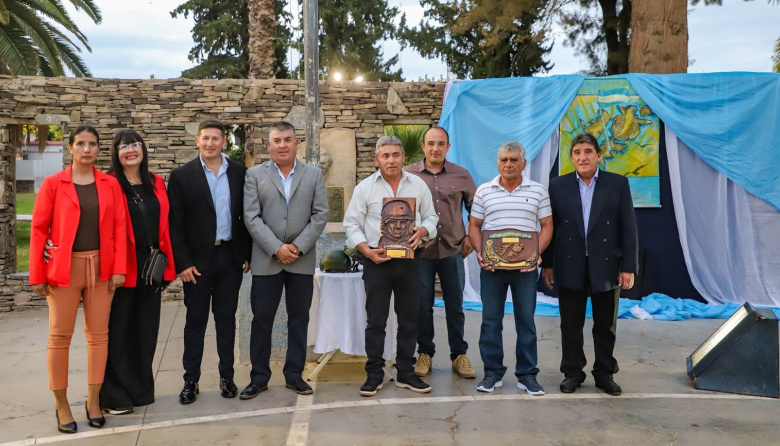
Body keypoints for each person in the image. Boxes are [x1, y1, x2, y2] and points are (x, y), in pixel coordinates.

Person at [30, 125, 127, 433]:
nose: (87, 149)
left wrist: (119, 268)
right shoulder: (53, 184)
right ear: (70, 148)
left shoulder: (110, 184)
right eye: (81, 143)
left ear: (99, 149)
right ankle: (61, 406)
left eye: (93, 144)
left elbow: (120, 227)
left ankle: (94, 401)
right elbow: (37, 230)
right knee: (60, 337)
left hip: (102, 269)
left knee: (98, 336)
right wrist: (37, 273)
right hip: (63, 270)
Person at [541, 132, 638, 396]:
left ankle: (604, 373)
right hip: (569, 264)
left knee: (605, 324)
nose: (582, 157)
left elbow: (628, 228)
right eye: (577, 152)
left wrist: (628, 266)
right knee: (570, 323)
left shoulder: (617, 184)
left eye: (587, 151)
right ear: (571, 157)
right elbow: (551, 227)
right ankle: (572, 372)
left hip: (606, 265)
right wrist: (547, 265)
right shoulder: (557, 186)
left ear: (598, 155)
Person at [344, 135, 439, 397]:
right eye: (385, 155)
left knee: (410, 319)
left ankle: (406, 373)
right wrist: (366, 251)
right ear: (377, 159)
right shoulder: (365, 188)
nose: (391, 160)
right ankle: (374, 373)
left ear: (403, 157)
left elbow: (432, 216)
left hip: (411, 261)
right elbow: (351, 223)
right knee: (376, 320)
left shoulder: (417, 185)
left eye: (396, 155)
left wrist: (423, 230)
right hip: (377, 261)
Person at [240, 122, 328, 399]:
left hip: (300, 261)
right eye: (276, 140)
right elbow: (251, 217)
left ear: (296, 143)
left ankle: (294, 375)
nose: (282, 145)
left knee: (299, 319)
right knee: (262, 319)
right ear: (269, 145)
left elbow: (320, 215)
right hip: (267, 260)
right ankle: (259, 377)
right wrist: (276, 247)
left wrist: (298, 247)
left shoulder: (313, 174)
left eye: (287, 139)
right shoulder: (254, 175)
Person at [168, 119, 251, 404]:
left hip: (230, 257)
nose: (210, 143)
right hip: (197, 262)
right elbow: (174, 224)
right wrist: (182, 263)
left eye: (216, 138)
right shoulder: (181, 176)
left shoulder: (240, 173)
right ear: (197, 141)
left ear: (224, 142)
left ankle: (227, 377)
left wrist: (246, 254)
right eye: (205, 138)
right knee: (195, 322)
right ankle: (191, 380)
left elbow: (248, 216)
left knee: (226, 320)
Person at [99, 130, 176, 413]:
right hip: (121, 268)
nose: (130, 150)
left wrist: (167, 266)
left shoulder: (155, 181)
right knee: (119, 332)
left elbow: (165, 224)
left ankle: (140, 391)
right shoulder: (108, 183)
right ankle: (114, 397)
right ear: (115, 153)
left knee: (146, 331)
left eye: (135, 144)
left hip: (151, 267)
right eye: (123, 146)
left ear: (143, 148)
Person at [467, 141, 552, 395]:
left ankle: (527, 375)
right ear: (497, 163)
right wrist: (480, 252)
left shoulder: (538, 191)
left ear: (523, 164)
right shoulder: (484, 191)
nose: (509, 164)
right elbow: (474, 225)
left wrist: (536, 254)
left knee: (526, 321)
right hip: (492, 269)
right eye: (504, 159)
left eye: (514, 160)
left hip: (525, 271)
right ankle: (492, 372)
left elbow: (546, 225)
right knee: (490, 321)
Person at [403, 126, 477, 379]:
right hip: (419, 251)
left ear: (448, 146)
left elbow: (476, 210)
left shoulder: (462, 174)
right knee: (422, 306)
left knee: (455, 305)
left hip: (453, 250)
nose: (435, 148)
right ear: (423, 146)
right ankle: (425, 353)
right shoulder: (408, 175)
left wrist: (470, 237)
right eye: (431, 143)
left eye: (441, 143)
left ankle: (459, 354)